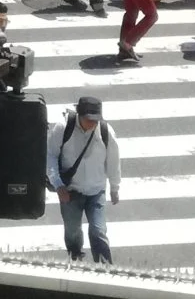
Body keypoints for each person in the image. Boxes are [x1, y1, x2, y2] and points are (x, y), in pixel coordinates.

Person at [46, 96, 120, 263]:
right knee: (72, 231)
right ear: (79, 115)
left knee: (98, 230)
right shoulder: (63, 128)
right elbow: (50, 156)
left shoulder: (105, 131)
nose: (92, 124)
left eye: (95, 120)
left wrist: (115, 187)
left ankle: (104, 266)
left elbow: (114, 161)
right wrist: (58, 185)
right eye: (89, 120)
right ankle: (75, 257)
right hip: (70, 191)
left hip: (96, 190)